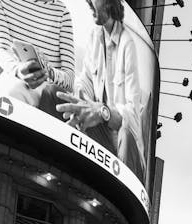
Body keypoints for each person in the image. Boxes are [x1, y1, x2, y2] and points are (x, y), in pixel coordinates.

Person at [56, 0, 146, 180]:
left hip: (125, 147)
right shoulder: (94, 36)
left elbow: (132, 117)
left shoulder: (129, 44)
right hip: (100, 134)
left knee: (126, 133)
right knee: (54, 94)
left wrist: (103, 112)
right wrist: (81, 101)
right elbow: (86, 78)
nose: (88, 2)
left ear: (108, 3)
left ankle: (122, 189)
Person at [0, 0, 76, 118]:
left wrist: (47, 72)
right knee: (13, 89)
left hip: (50, 95)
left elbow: (69, 80)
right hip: (13, 80)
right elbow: (2, 50)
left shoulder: (62, 13)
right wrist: (18, 71)